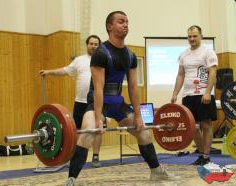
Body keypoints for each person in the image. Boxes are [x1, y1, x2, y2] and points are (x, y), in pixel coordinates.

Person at [65, 11, 177, 186]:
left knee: (144, 133)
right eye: (120, 22)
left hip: (117, 102)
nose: (125, 25)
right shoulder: (101, 53)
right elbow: (99, 88)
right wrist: (97, 119)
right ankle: (71, 179)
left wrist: (139, 116)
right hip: (98, 102)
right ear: (110, 26)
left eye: (127, 22)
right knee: (87, 134)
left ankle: (156, 172)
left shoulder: (130, 55)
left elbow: (132, 88)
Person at [40, 35, 103, 168]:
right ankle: (77, 156)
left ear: (99, 45)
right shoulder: (79, 60)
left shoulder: (104, 60)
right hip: (80, 101)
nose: (93, 46)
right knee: (78, 130)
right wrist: (49, 72)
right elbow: (64, 71)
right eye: (91, 44)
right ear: (87, 45)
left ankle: (96, 156)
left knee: (97, 129)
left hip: (97, 101)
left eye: (96, 44)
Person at [171, 25, 218, 166]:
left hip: (203, 94)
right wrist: (175, 94)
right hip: (188, 95)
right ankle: (202, 154)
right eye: (189, 36)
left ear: (201, 36)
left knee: (205, 124)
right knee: (192, 127)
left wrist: (208, 92)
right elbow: (180, 75)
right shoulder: (184, 54)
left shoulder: (208, 52)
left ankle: (206, 155)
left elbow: (213, 73)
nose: (192, 39)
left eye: (194, 36)